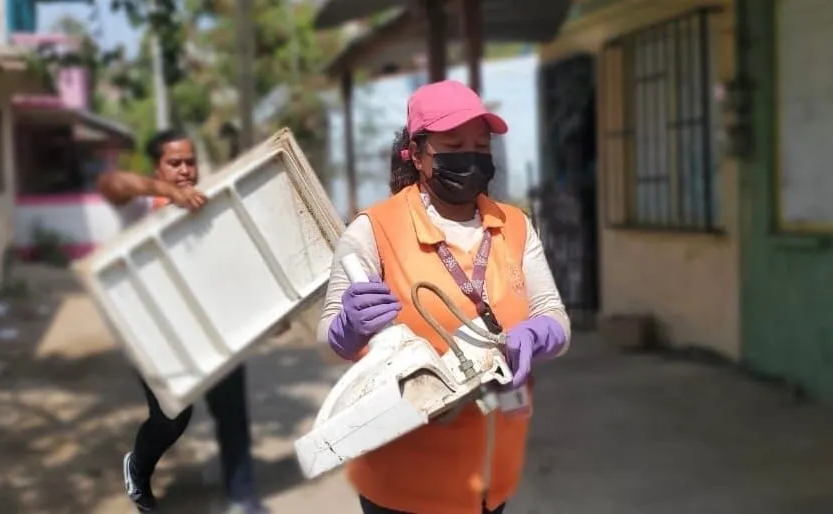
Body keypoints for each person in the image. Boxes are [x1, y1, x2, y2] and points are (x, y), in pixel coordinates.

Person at [317, 80, 571, 514]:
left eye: (481, 145)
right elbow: (327, 342)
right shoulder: (372, 230)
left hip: (491, 478)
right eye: (454, 145)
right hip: (402, 482)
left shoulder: (514, 225)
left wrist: (538, 332)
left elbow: (554, 314)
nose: (471, 157)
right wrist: (346, 329)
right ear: (416, 155)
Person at [97, 128, 270, 514]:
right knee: (173, 418)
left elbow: (227, 265)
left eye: (190, 161)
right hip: (156, 335)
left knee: (232, 411)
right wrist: (168, 194)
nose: (185, 170)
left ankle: (242, 497)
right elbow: (110, 182)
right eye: (174, 163)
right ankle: (138, 467)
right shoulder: (139, 207)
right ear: (157, 166)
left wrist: (267, 311)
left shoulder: (208, 201)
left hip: (213, 326)